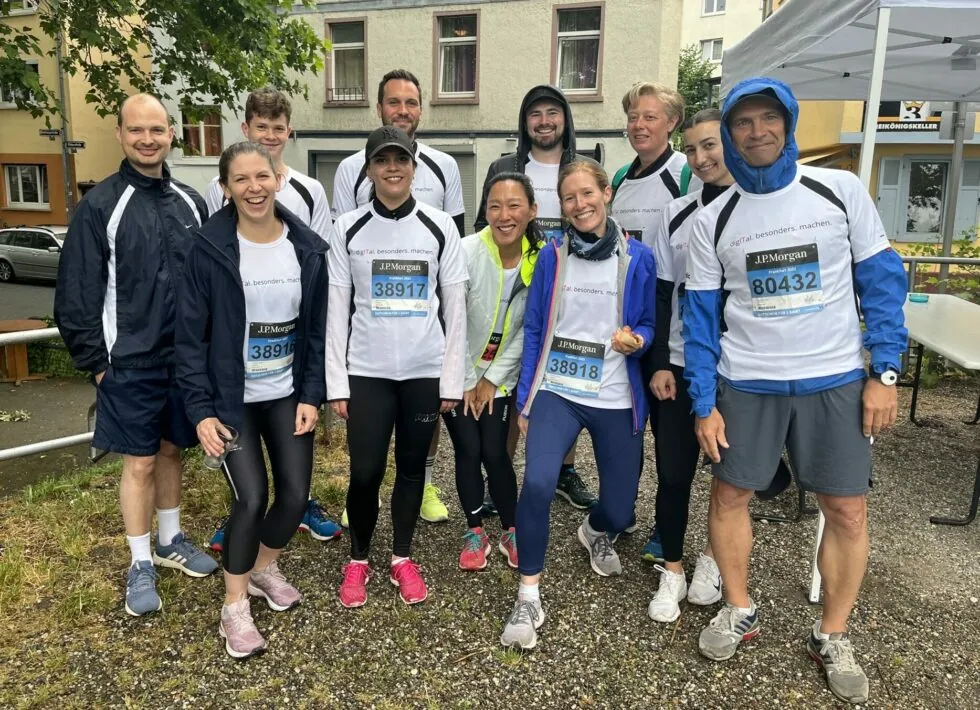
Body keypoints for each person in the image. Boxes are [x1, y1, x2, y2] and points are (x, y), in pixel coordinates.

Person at [683, 77, 907, 705]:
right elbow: (698, 321)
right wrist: (704, 403)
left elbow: (883, 283)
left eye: (767, 119)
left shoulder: (837, 192)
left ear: (788, 123)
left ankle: (832, 634)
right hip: (745, 384)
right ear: (728, 134)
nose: (756, 132)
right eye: (743, 123)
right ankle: (738, 607)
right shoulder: (714, 219)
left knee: (847, 510)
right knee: (730, 496)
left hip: (834, 380)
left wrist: (883, 373)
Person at [54, 93, 217, 617]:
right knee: (140, 462)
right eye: (136, 130)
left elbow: (210, 283)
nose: (148, 139)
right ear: (121, 134)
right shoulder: (101, 205)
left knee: (172, 450)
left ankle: (171, 540)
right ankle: (140, 561)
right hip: (128, 364)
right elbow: (76, 293)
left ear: (172, 133)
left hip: (184, 362)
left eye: (157, 129)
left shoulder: (192, 202)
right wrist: (97, 364)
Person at [176, 141, 328, 658]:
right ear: (225, 188)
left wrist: (312, 394)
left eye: (261, 176)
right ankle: (234, 607)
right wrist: (201, 412)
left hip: (286, 394)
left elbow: (314, 333)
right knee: (250, 498)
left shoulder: (306, 247)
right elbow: (190, 338)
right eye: (240, 179)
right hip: (231, 399)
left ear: (277, 178)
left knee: (294, 495)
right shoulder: (208, 247)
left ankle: (263, 567)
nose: (253, 187)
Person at [499, 161, 655, 650]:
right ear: (560, 206)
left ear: (606, 194)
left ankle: (596, 530)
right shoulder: (552, 255)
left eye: (588, 193)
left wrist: (639, 339)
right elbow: (534, 328)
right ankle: (528, 594)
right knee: (540, 483)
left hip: (613, 395)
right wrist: (525, 399)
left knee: (621, 506)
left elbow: (649, 323)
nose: (580, 205)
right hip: (559, 391)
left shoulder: (640, 258)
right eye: (570, 198)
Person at [327, 126, 468, 608]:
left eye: (401, 159)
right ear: (368, 169)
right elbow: (335, 310)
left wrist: (451, 379)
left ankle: (402, 557)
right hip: (366, 371)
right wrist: (336, 384)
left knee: (412, 470)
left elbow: (455, 308)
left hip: (423, 373)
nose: (393, 168)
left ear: (414, 166)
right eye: (383, 160)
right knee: (365, 472)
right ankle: (359, 559)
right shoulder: (346, 227)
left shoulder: (439, 226)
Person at [203, 87, 340, 553]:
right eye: (260, 127)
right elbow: (211, 269)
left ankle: (281, 527)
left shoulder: (308, 191)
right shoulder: (218, 192)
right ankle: (243, 515)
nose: (269, 135)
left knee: (292, 484)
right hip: (235, 377)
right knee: (252, 494)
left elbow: (318, 270)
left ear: (289, 133)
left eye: (278, 129)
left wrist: (313, 386)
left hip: (287, 369)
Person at [476, 85, 597, 510]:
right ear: (525, 123)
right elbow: (483, 228)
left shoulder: (583, 167)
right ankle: (501, 477)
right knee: (513, 383)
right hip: (518, 291)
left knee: (565, 381)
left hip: (572, 292)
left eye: (552, 112)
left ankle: (564, 469)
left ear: (565, 118)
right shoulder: (505, 165)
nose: (544, 121)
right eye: (535, 114)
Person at [448, 172, 543, 571]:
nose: (504, 215)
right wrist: (467, 381)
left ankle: (511, 528)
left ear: (532, 210)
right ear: (484, 211)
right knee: (468, 451)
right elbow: (450, 319)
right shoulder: (466, 250)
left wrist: (491, 379)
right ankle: (474, 530)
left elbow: (532, 329)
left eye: (514, 205)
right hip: (457, 372)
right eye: (494, 206)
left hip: (500, 377)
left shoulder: (542, 260)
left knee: (496, 453)